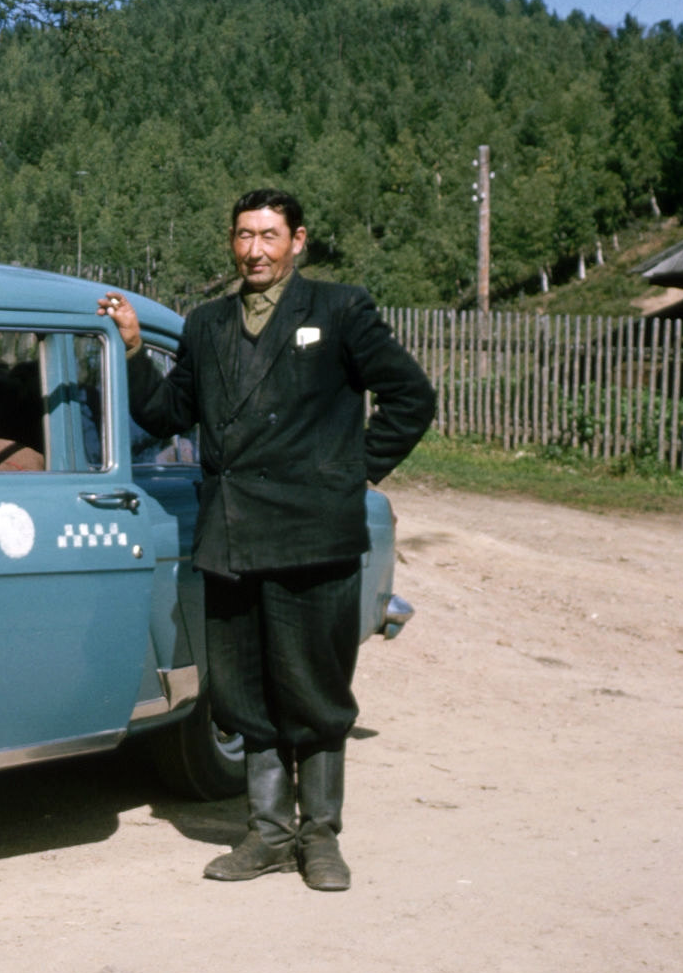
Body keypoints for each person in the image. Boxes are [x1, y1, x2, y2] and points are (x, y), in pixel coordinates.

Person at [98, 189, 435, 891]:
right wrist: (133, 350)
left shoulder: (340, 310)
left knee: (313, 690)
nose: (254, 250)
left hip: (315, 537)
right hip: (233, 538)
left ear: (298, 241)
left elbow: (411, 396)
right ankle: (268, 834)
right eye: (244, 236)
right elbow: (166, 413)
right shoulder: (208, 324)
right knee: (245, 693)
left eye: (269, 236)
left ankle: (321, 839)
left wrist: (351, 476)